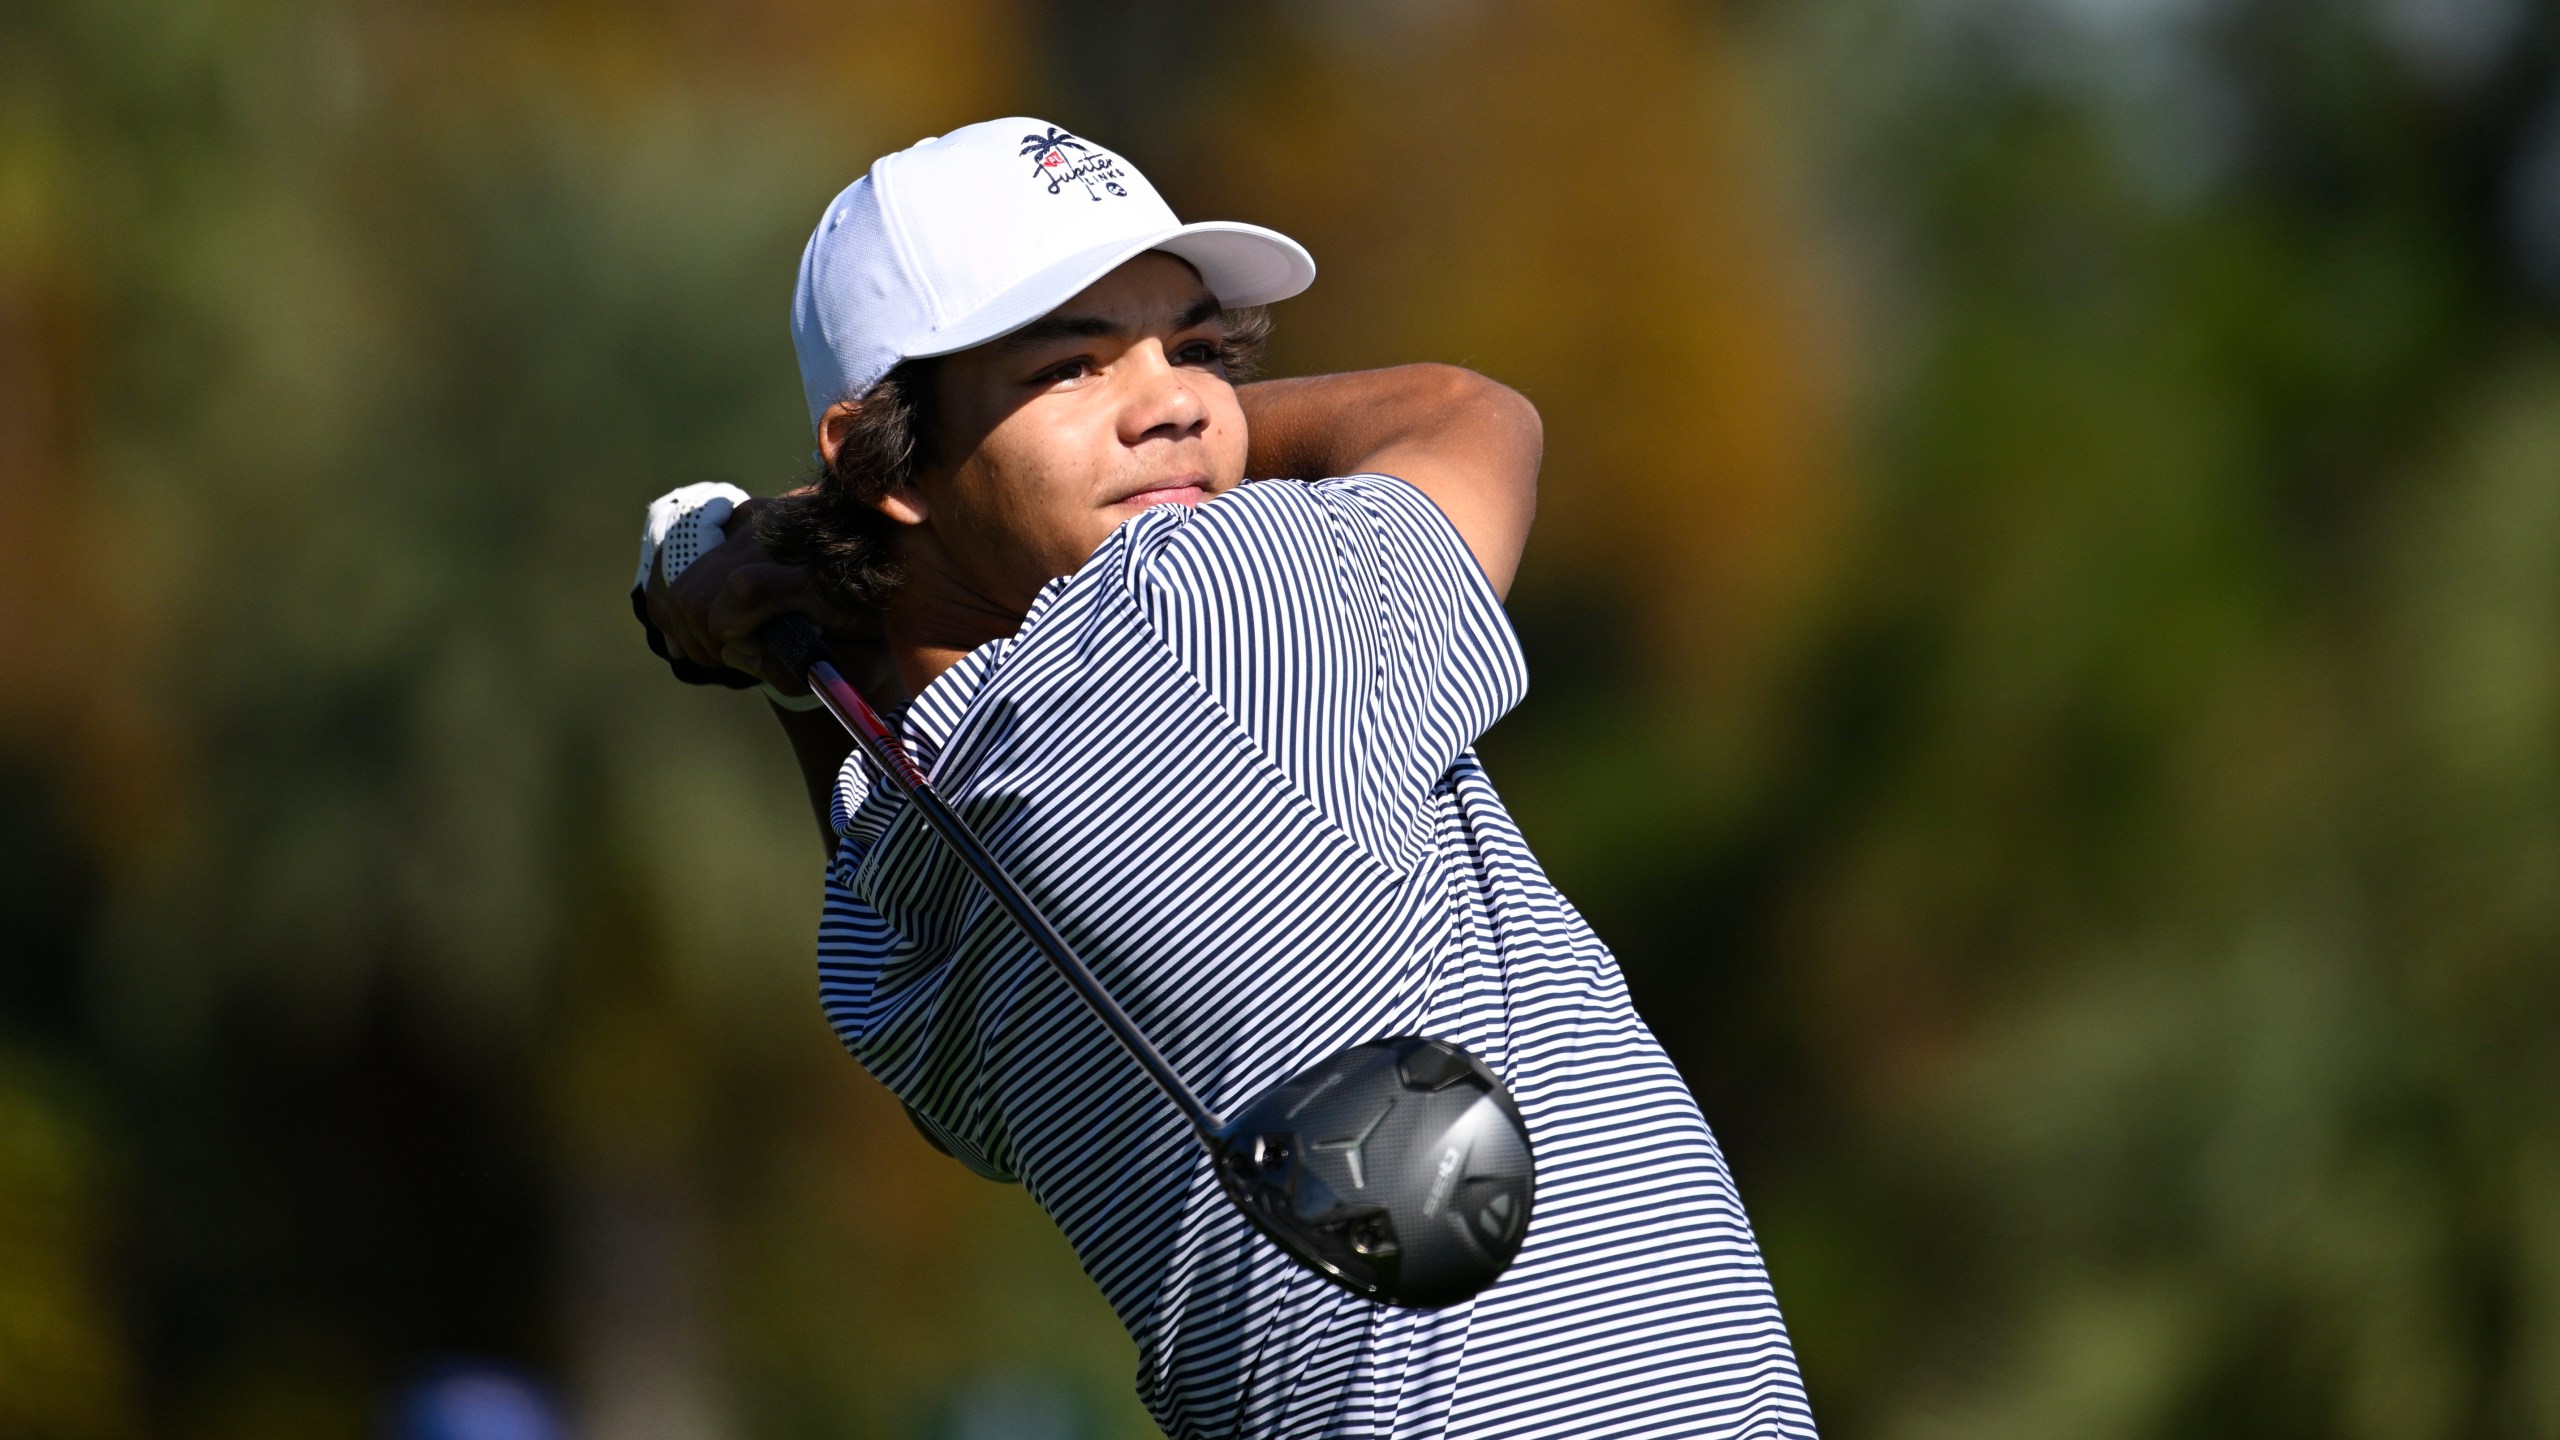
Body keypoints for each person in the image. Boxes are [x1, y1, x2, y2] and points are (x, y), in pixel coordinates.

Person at [633, 117, 1814, 1438]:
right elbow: (1468, 417)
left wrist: (781, 629)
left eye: (1197, 351)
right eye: (1073, 366)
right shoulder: (1193, 609)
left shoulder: (884, 934)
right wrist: (788, 552)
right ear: (878, 457)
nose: (1182, 402)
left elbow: (884, 791)